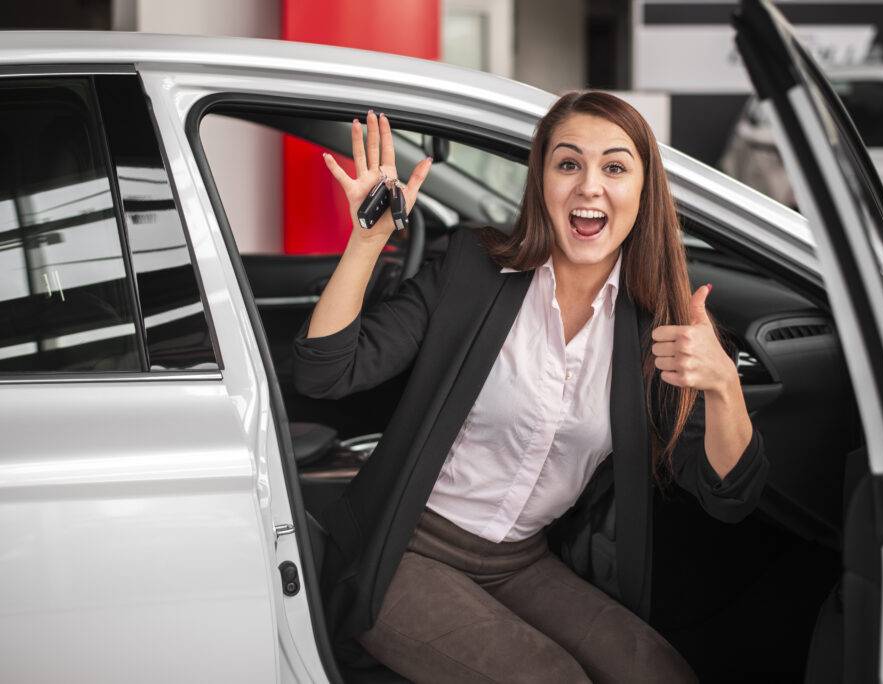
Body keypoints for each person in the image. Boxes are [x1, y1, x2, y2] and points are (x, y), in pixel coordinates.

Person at [292, 92, 768, 683]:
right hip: (400, 548)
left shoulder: (656, 322)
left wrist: (723, 385)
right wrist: (366, 243)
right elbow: (326, 370)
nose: (589, 186)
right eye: (568, 164)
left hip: (520, 559)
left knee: (660, 673)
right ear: (541, 180)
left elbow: (729, 495)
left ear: (644, 192)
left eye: (614, 167)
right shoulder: (472, 267)